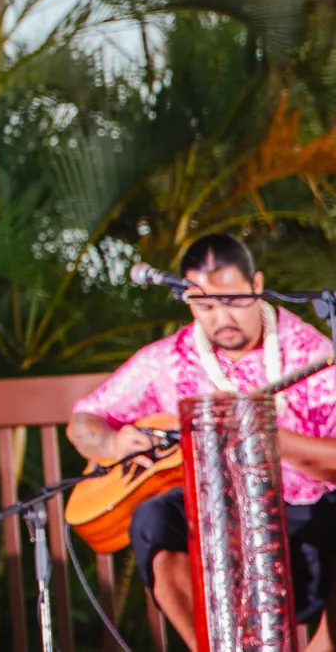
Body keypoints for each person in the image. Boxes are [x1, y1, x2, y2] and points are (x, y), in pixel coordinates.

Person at [68, 233, 336, 650]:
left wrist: (262, 433)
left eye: (231, 300)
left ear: (256, 285)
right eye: (204, 306)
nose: (220, 317)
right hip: (215, 534)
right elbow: (86, 420)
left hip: (304, 528)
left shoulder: (310, 356)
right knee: (155, 519)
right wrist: (114, 443)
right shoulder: (168, 361)